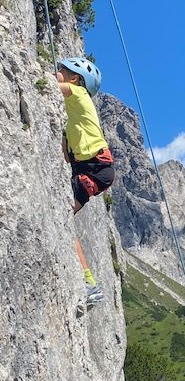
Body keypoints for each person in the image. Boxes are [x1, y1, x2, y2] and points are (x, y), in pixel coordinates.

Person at [55, 56, 115, 308]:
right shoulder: (75, 115)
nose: (56, 71)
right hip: (93, 168)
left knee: (61, 216)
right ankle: (89, 282)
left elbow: (51, 85)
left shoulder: (79, 93)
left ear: (75, 79)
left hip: (95, 167)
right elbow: (66, 155)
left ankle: (89, 284)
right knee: (63, 219)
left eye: (61, 70)